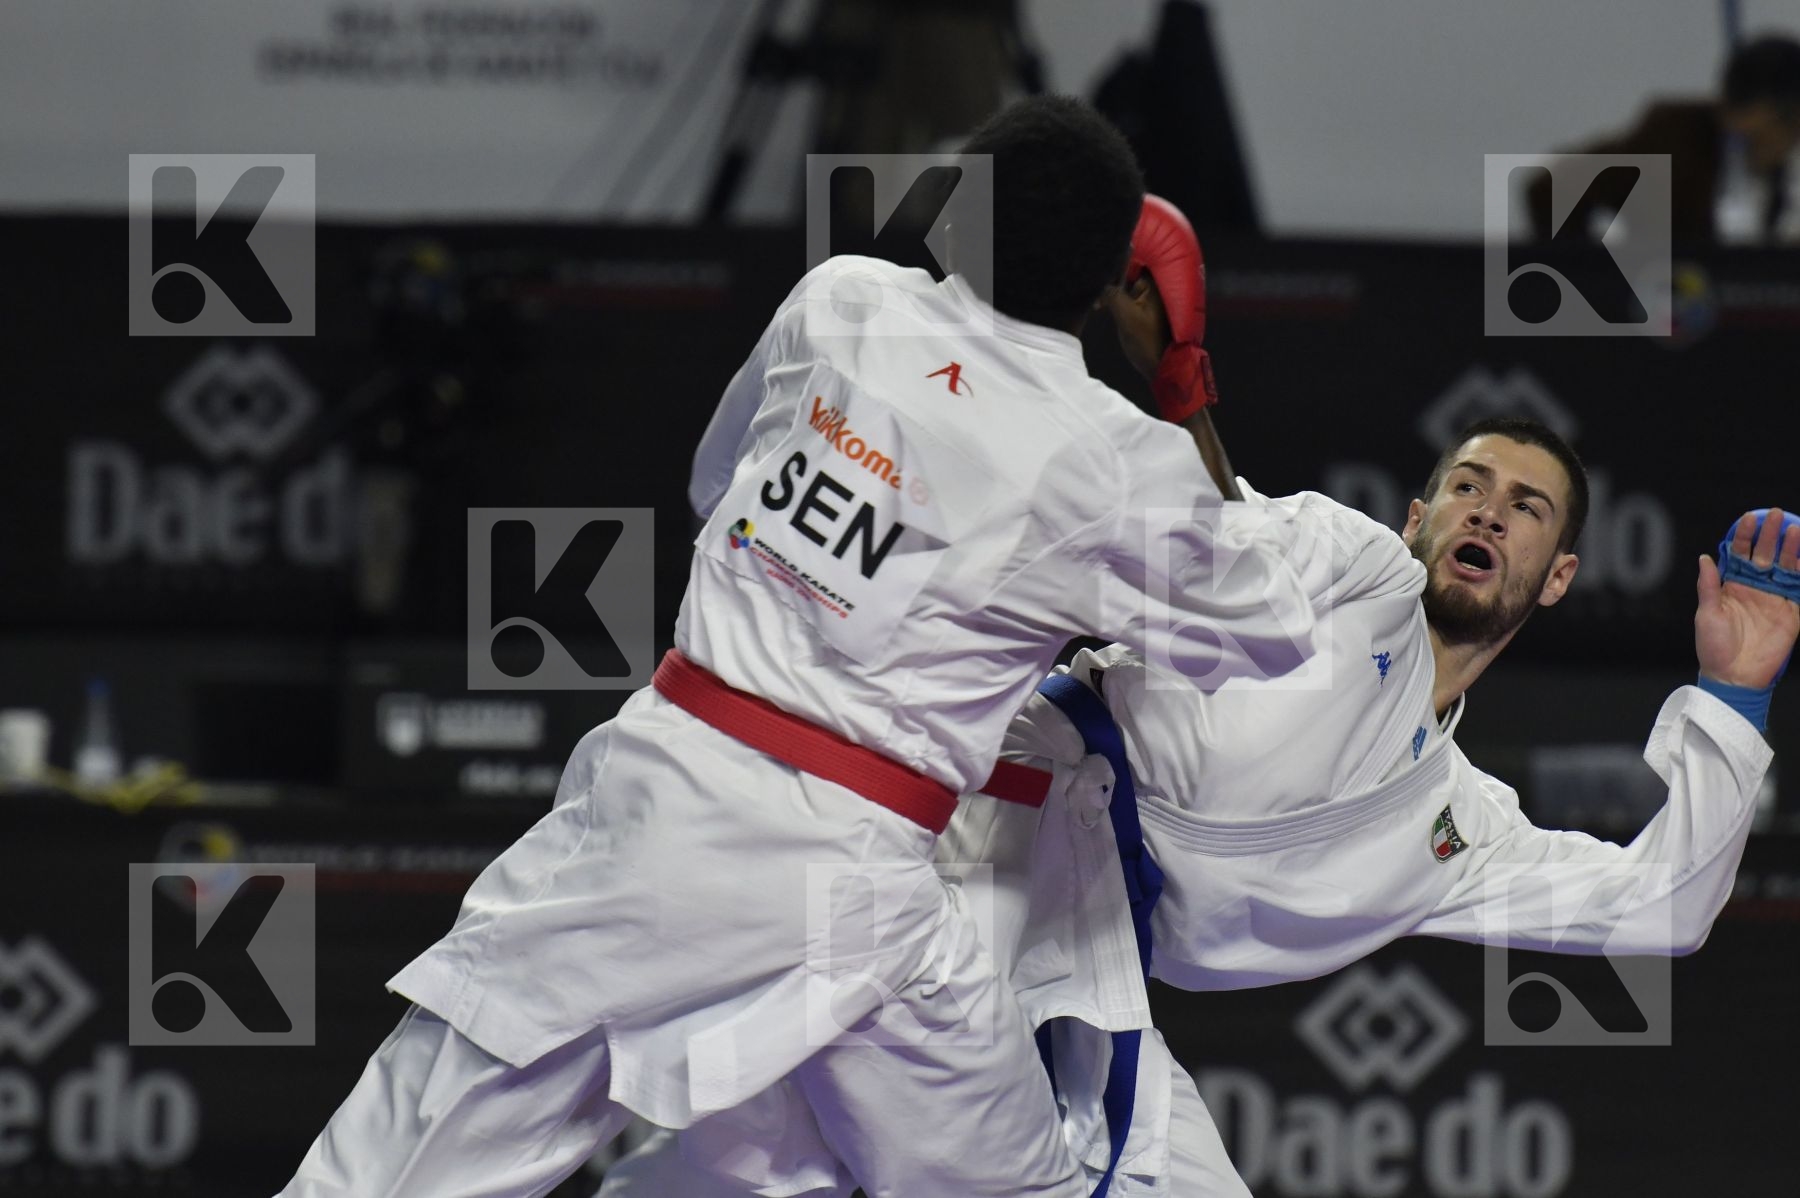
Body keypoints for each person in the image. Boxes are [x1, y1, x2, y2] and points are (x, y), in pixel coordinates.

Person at [277, 97, 1319, 1198]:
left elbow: (712, 486)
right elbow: (1274, 628)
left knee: (391, 1166)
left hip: (663, 803)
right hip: (856, 885)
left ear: (957, 217)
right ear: (1113, 282)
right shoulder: (1112, 457)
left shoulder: (843, 301)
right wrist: (1180, 380)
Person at [597, 416, 1799, 1196]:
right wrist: (1191, 414)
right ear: (1413, 519)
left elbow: (1662, 906)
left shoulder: (1458, 834)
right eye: (1467, 486)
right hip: (972, 829)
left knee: (788, 1154)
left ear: (1560, 575)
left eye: (1526, 507)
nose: (1488, 511)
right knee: (777, 1152)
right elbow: (1219, 542)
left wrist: (1736, 697)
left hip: (1085, 969)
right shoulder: (1339, 563)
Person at [1526, 33, 1800, 243]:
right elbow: (1552, 190)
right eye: (1785, 123)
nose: (1790, 139)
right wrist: (1595, 280)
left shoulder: (1778, 168)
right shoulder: (1672, 139)